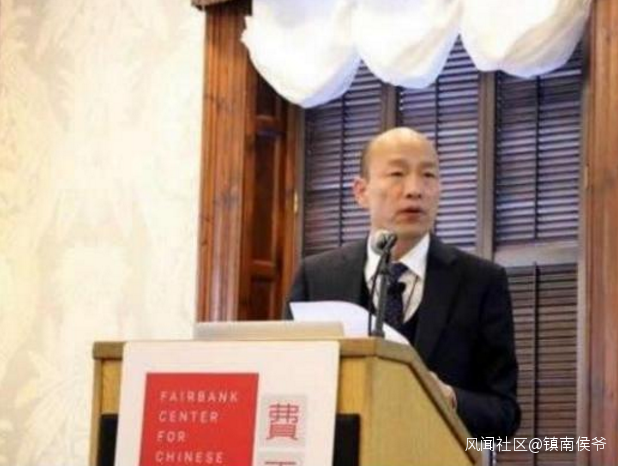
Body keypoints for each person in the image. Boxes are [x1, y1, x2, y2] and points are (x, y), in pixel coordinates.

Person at [286, 127, 520, 438]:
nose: (414, 190)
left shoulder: (481, 282)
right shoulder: (316, 277)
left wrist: (448, 398)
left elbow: (504, 415)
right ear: (361, 191)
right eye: (397, 174)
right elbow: (287, 385)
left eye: (428, 175)